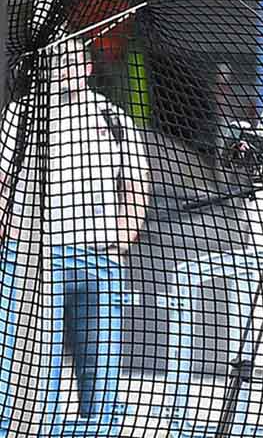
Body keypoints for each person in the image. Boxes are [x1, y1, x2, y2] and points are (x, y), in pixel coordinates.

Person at [0, 38, 149, 425]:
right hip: (34, 257)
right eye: (55, 61)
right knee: (30, 370)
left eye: (71, 61)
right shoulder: (21, 113)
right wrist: (11, 237)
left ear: (85, 68)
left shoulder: (113, 118)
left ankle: (100, 427)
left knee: (101, 373)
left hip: (99, 259)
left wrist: (122, 238)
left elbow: (136, 186)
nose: (63, 68)